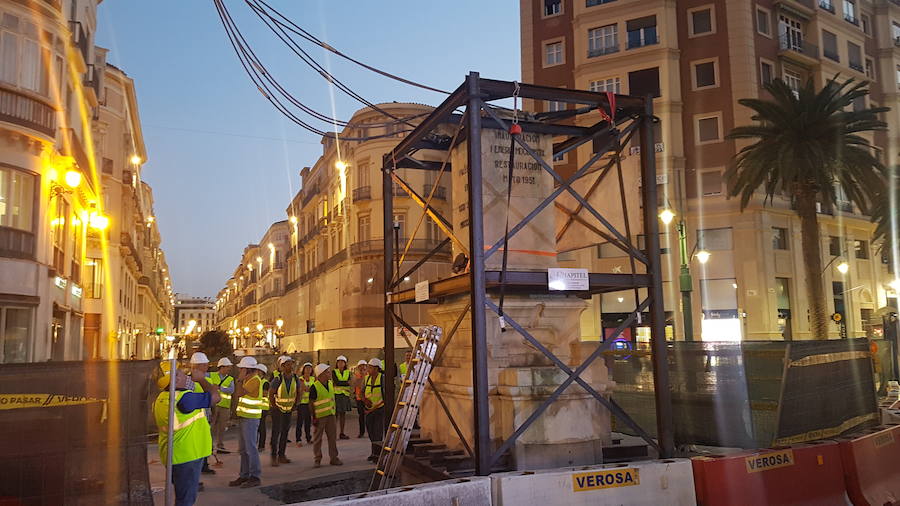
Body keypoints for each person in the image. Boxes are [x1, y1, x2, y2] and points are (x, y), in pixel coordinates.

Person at [153, 361, 220, 506]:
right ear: (176, 378)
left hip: (173, 455)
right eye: (181, 372)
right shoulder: (184, 399)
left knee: (182, 495)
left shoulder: (161, 398)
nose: (186, 375)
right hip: (187, 456)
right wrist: (202, 379)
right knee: (185, 501)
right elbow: (215, 397)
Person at [229, 356, 264, 489]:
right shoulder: (249, 379)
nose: (240, 370)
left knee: (250, 448)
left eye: (242, 369)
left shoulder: (254, 380)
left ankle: (255, 476)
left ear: (248, 370)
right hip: (244, 417)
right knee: (243, 449)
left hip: (251, 418)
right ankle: (244, 475)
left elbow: (238, 393)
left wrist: (239, 380)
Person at [308, 363, 343, 467]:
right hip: (320, 417)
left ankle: (334, 458)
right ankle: (317, 459)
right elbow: (311, 403)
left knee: (332, 438)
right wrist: (313, 417)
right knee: (318, 438)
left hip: (331, 415)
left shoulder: (331, 384)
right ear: (321, 374)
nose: (329, 374)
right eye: (327, 372)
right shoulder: (315, 387)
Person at [187, 352, 216, 476]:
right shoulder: (189, 380)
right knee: (195, 445)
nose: (207, 367)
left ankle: (204, 464)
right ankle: (198, 468)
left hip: (204, 417)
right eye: (205, 365)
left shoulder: (206, 378)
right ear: (199, 366)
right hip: (193, 420)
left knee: (204, 442)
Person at [268, 355, 298, 466]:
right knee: (276, 432)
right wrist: (273, 405)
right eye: (288, 364)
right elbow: (271, 392)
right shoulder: (278, 378)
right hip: (277, 409)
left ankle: (282, 455)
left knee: (285, 432)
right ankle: (274, 456)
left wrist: (296, 403)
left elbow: (298, 390)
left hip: (288, 409)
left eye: (291, 364)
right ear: (283, 366)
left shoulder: (295, 378)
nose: (291, 366)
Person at [209, 357, 235, 454]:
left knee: (222, 427)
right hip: (214, 405)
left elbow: (231, 390)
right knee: (212, 426)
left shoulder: (230, 379)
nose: (229, 369)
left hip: (224, 406)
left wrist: (220, 387)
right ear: (222, 367)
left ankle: (220, 445)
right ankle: (209, 445)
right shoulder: (212, 375)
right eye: (227, 367)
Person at [363, 358, 385, 462]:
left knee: (378, 433)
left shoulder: (382, 378)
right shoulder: (366, 379)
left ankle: (378, 455)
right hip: (369, 410)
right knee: (371, 432)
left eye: (370, 367)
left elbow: (386, 395)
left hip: (379, 410)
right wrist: (365, 400)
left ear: (376, 369)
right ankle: (373, 453)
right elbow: (362, 392)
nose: (368, 369)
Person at [332, 355, 352, 440]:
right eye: (339, 362)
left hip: (344, 395)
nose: (340, 364)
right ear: (337, 363)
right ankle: (333, 433)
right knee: (335, 415)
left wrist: (342, 383)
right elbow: (336, 382)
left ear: (345, 363)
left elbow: (349, 382)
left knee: (343, 415)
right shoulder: (334, 371)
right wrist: (345, 382)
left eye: (342, 362)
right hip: (336, 394)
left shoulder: (348, 372)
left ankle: (342, 433)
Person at [295, 362, 314, 446]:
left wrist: (307, 389)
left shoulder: (313, 379)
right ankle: (298, 439)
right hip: (302, 403)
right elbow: (303, 389)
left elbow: (312, 389)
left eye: (310, 368)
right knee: (300, 421)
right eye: (306, 368)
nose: (308, 370)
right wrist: (307, 389)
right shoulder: (300, 379)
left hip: (309, 403)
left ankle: (308, 437)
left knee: (308, 421)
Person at [351, 360, 368, 438]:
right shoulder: (356, 375)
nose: (362, 367)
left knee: (368, 415)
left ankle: (369, 430)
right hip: (359, 398)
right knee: (361, 416)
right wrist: (362, 377)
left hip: (367, 398)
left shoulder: (368, 374)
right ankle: (361, 432)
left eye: (364, 366)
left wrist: (363, 377)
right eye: (360, 366)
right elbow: (356, 383)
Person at [257, 364, 270, 451]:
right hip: (256, 407)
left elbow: (265, 394)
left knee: (261, 427)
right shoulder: (256, 381)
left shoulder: (265, 382)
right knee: (256, 428)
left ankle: (261, 446)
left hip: (263, 408)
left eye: (258, 371)